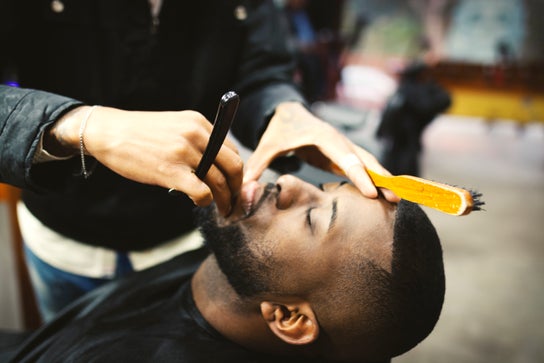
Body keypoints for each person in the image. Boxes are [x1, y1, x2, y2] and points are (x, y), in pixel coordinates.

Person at [0, 0, 398, 323]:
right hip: (60, 235)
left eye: (320, 210)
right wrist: (80, 125)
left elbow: (261, 68)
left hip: (184, 236)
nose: (288, 185)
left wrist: (282, 108)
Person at [3, 174, 445, 363]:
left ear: (289, 318)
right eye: (326, 186)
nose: (291, 183)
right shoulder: (249, 268)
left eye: (313, 219)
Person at [376, 61, 451, 176]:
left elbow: (441, 102)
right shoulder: (410, 89)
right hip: (401, 137)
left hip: (408, 136)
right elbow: (392, 112)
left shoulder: (419, 89)